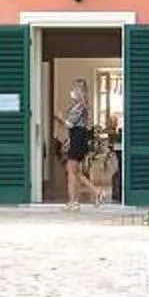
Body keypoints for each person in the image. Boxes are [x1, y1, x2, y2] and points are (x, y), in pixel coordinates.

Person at [63, 81, 94, 209]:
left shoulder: (80, 107)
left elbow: (70, 124)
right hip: (76, 138)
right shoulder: (78, 106)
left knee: (71, 171)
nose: (72, 92)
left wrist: (58, 117)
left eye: (74, 89)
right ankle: (96, 192)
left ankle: (72, 202)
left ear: (79, 92)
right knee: (75, 172)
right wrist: (68, 140)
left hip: (78, 139)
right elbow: (73, 128)